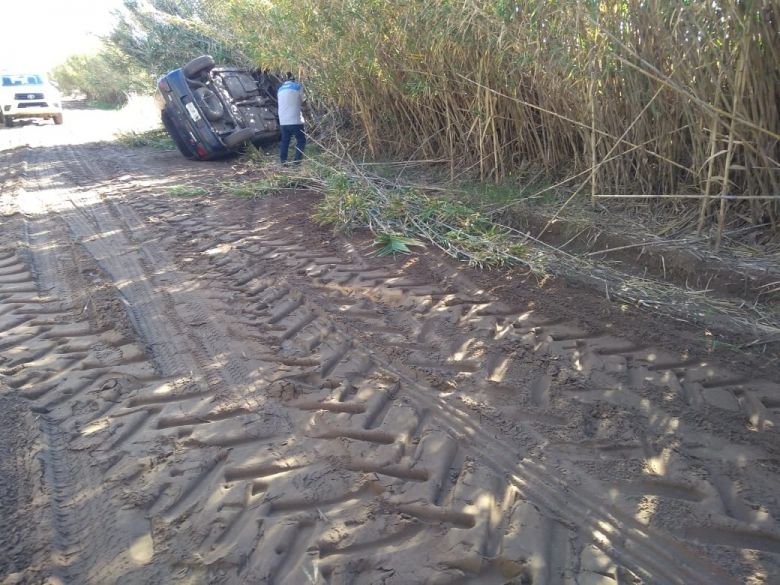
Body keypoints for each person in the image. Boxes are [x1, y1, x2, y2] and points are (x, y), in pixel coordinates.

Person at [277, 72, 306, 165]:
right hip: (295, 120)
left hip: (283, 121)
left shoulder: (280, 89)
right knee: (301, 140)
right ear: (294, 79)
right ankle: (297, 162)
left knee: (285, 141)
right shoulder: (297, 87)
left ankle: (283, 161)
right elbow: (304, 101)